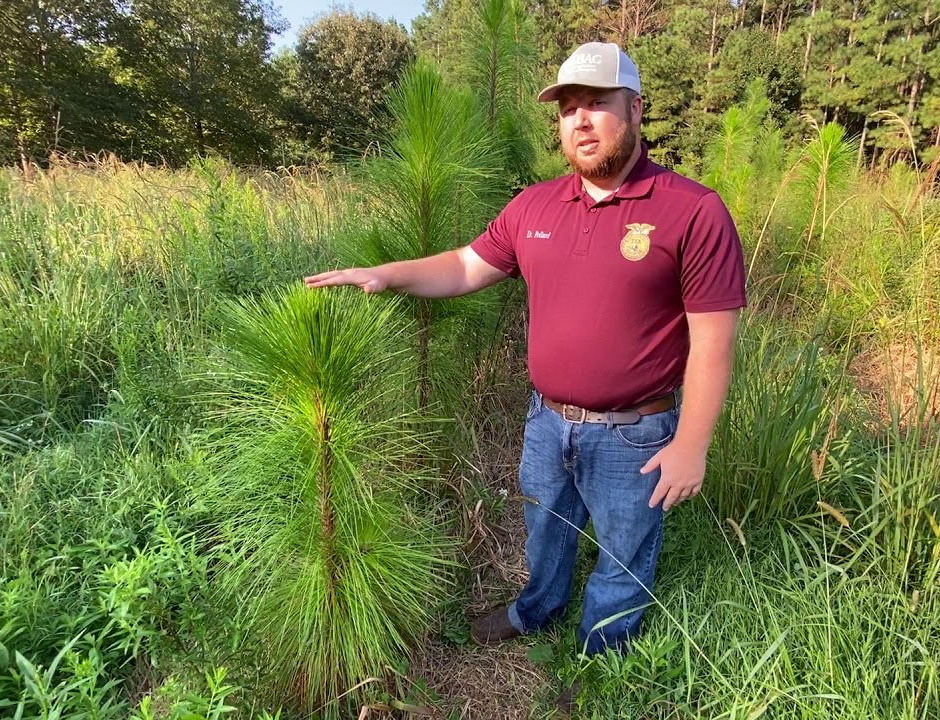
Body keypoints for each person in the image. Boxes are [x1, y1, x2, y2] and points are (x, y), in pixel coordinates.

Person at [305, 41, 745, 712]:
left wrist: (692, 443)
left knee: (625, 555)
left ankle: (603, 658)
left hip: (636, 433)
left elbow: (713, 342)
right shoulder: (534, 207)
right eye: (569, 109)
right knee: (545, 532)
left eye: (597, 103)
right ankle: (537, 610)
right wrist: (384, 274)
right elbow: (462, 266)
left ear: (636, 108)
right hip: (547, 423)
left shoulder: (692, 210)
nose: (582, 121)